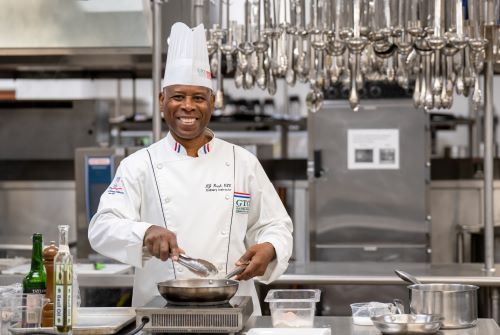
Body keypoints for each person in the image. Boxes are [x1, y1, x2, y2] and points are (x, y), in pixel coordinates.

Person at [88, 22, 293, 313]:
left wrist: (270, 247)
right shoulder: (138, 165)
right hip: (160, 313)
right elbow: (101, 228)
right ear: (162, 101)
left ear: (211, 102)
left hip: (234, 307)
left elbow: (275, 224)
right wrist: (145, 232)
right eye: (177, 96)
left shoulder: (242, 161)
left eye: (198, 97)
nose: (188, 106)